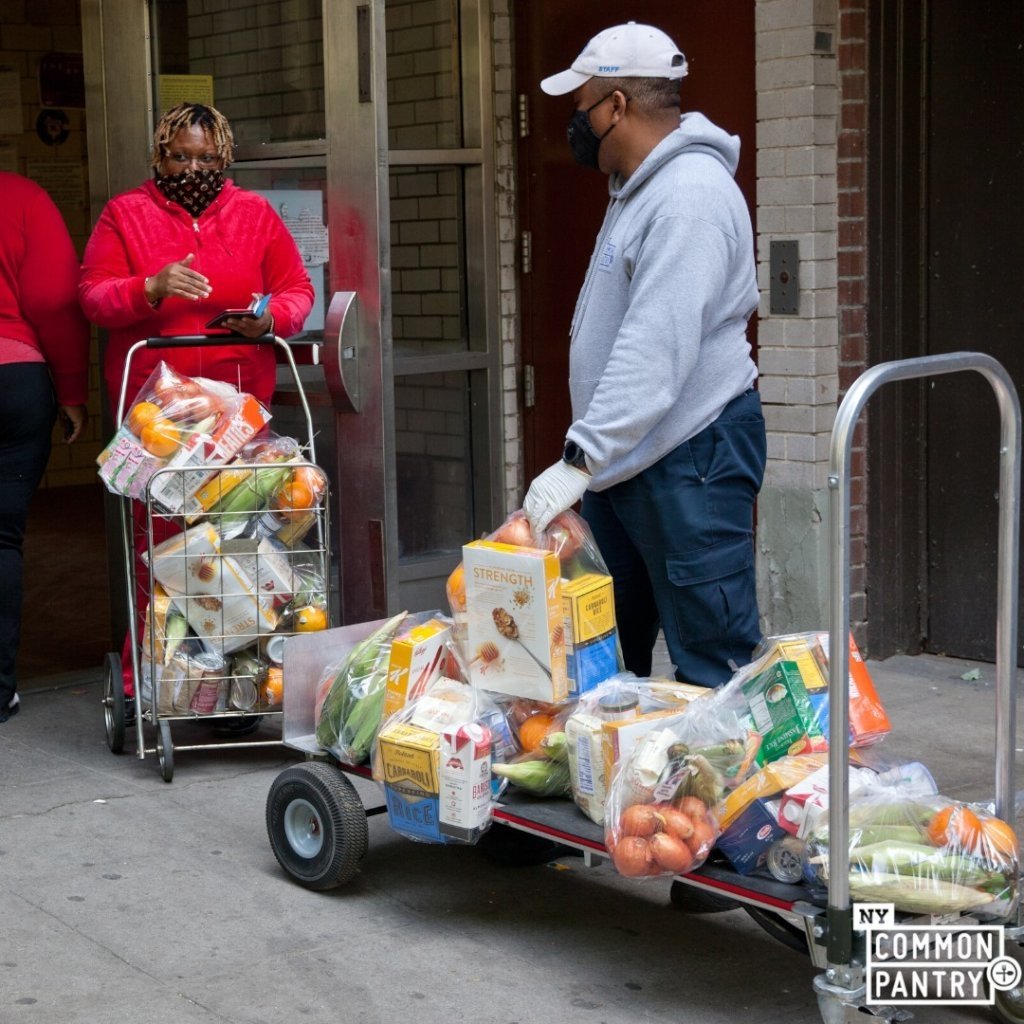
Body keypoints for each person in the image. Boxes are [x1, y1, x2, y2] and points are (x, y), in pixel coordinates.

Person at [523, 22, 767, 688]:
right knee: (598, 655)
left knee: (712, 664)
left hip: (691, 459)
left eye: (581, 107)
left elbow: (654, 348)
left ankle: (726, 795)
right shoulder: (639, 188)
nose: (574, 122)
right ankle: (625, 786)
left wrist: (580, 457)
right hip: (630, 462)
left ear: (617, 106)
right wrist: (596, 463)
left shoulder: (687, 195)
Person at [80, 102, 315, 720]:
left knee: (242, 547)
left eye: (206, 158)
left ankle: (236, 681)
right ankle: (151, 679)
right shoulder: (125, 214)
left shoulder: (254, 214)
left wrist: (269, 320)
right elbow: (94, 297)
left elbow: (296, 290)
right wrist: (149, 288)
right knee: (160, 549)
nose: (192, 168)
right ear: (159, 156)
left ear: (225, 159)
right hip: (157, 419)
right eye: (179, 156)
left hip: (238, 415)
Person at [0, 172, 90, 723]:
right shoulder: (22, 196)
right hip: (13, 378)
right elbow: (54, 300)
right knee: (1, 538)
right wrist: (73, 391)